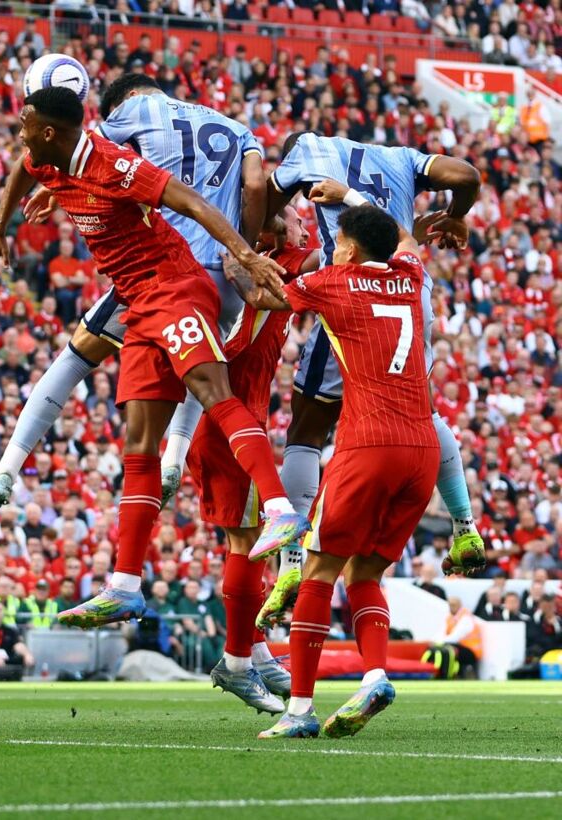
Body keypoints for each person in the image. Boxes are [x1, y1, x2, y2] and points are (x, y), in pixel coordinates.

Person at [0, 87, 308, 630]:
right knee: (138, 443)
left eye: (26, 124)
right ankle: (124, 586)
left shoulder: (116, 165)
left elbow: (193, 204)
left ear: (49, 131)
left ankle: (280, 511)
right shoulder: (46, 160)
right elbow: (21, 173)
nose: (20, 133)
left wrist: (245, 254)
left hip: (176, 286)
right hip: (137, 303)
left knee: (214, 394)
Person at [0, 72, 269, 523]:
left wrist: (31, 204)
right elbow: (257, 187)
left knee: (75, 359)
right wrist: (245, 251)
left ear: (125, 98)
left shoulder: (134, 115)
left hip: (164, 271)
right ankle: (176, 460)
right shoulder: (235, 127)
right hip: (226, 276)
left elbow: (88, 151)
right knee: (203, 376)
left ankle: (5, 470)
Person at [261, 129, 485, 614]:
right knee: (420, 409)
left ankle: (291, 561)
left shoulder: (306, 152)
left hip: (349, 295)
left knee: (306, 430)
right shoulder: (400, 157)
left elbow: (259, 206)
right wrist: (454, 215)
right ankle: (465, 525)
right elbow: (466, 176)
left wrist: (259, 236)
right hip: (410, 293)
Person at [243, 201, 441, 739]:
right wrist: (352, 198)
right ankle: (375, 674)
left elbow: (263, 296)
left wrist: (239, 258)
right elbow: (406, 239)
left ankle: (299, 711)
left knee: (317, 572)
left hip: (368, 444)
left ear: (349, 249)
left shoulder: (334, 280)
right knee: (365, 573)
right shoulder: (410, 275)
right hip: (421, 449)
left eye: (339, 243)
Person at [188, 206, 318, 713]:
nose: (306, 227)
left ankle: (256, 651)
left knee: (246, 542)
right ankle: (237, 661)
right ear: (274, 229)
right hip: (232, 423)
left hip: (232, 420)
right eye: (297, 219)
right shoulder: (274, 260)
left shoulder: (256, 260)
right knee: (248, 544)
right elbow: (328, 254)